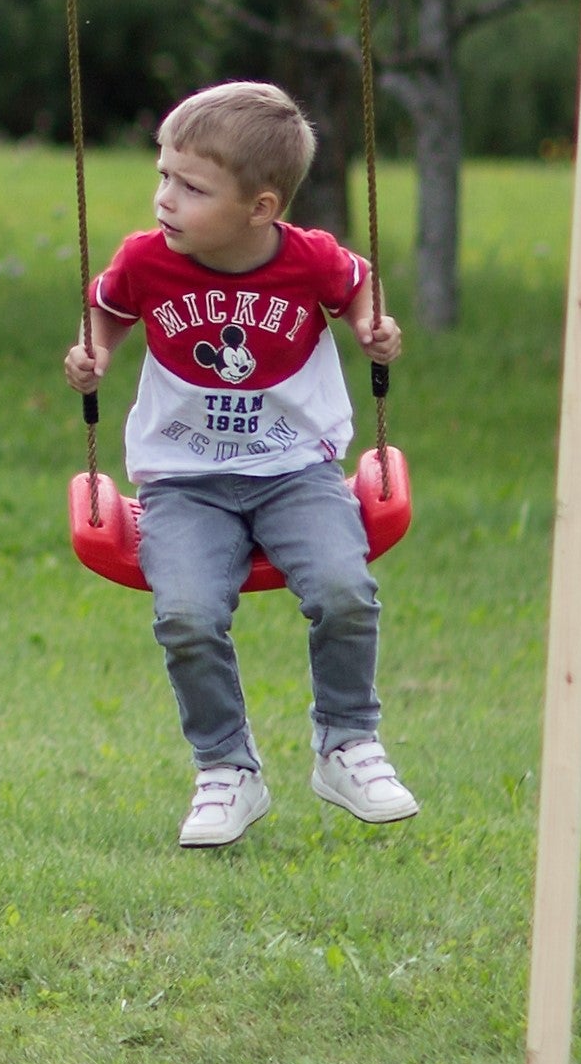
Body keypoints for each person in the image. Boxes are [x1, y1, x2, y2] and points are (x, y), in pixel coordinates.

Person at [62, 80, 421, 847]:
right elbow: (111, 307)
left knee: (346, 589)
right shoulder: (146, 261)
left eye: (191, 187)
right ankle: (227, 769)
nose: (165, 198)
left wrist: (372, 327)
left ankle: (347, 743)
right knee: (186, 614)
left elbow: (359, 287)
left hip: (297, 471)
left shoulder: (309, 260)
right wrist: (95, 351)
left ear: (261, 208)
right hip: (184, 480)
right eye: (164, 175)